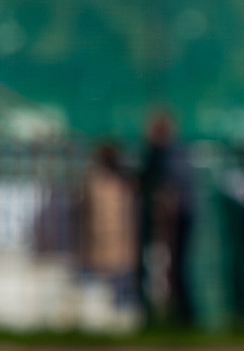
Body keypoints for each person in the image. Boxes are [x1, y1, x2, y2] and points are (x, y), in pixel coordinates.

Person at [137, 110, 195, 328]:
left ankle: (183, 315)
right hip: (160, 220)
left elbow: (173, 192)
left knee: (175, 267)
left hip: (174, 220)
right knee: (158, 267)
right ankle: (161, 313)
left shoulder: (171, 155)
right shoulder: (158, 155)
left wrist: (166, 204)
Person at [79, 141, 138, 309]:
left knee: (115, 300)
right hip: (107, 248)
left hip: (116, 248)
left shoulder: (120, 182)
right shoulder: (98, 182)